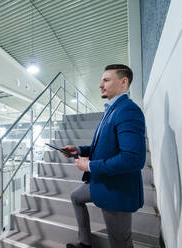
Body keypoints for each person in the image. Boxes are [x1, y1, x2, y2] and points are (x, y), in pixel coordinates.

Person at [63, 64, 146, 248]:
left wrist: (90, 165)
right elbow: (105, 146)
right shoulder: (112, 109)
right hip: (103, 181)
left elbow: (133, 159)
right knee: (76, 197)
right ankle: (85, 243)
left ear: (124, 82)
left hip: (117, 188)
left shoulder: (128, 110)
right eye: (102, 80)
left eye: (106, 80)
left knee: (120, 242)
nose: (101, 84)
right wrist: (79, 150)